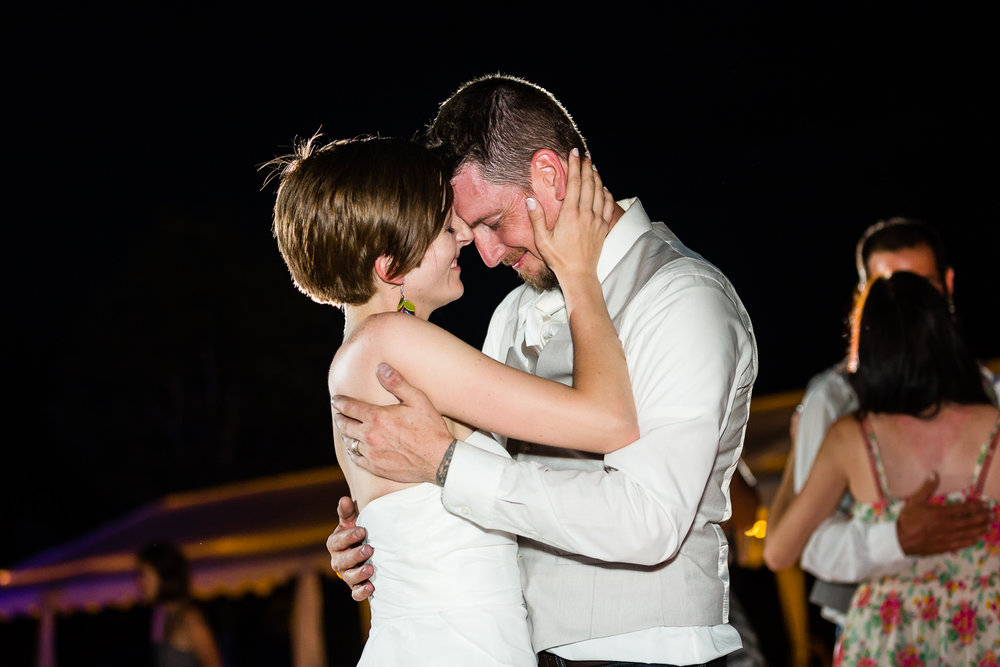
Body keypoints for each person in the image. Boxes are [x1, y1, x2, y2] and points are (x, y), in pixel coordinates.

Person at [328, 74, 757, 666]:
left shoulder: (682, 296)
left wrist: (446, 466)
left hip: (643, 653)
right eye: (464, 229)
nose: (485, 253)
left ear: (549, 178)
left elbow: (649, 520)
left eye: (491, 221)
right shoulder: (511, 312)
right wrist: (388, 534)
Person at [271, 134, 635, 665]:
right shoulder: (391, 342)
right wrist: (578, 273)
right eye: (446, 227)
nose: (465, 235)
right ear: (390, 267)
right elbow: (609, 420)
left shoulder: (361, 355)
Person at [768, 218, 997, 628]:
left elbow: (779, 548)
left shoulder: (989, 391)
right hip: (880, 616)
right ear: (865, 299)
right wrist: (894, 538)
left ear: (947, 284)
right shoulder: (833, 401)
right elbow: (808, 543)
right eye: (889, 287)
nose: (906, 303)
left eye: (920, 286)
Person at [137, 542, 223, 667]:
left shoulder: (190, 619)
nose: (140, 582)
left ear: (165, 575)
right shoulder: (160, 615)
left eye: (145, 574)